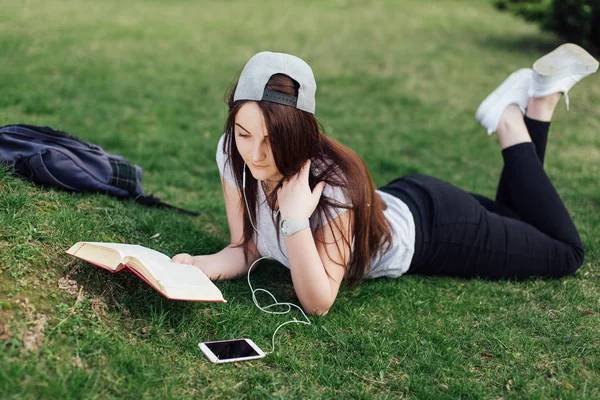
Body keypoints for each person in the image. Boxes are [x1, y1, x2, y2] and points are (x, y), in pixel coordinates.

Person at [173, 45, 598, 315]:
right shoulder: (232, 153)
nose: (253, 154)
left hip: (438, 230)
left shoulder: (332, 187)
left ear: (300, 135)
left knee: (565, 252)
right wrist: (201, 266)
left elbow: (318, 302)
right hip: (404, 200)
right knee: (520, 217)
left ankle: (508, 119)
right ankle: (541, 100)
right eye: (244, 134)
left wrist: (296, 219)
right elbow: (245, 246)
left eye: (271, 140)